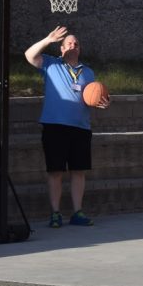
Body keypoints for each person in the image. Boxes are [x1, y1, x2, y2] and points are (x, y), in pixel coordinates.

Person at [24, 25, 107, 228]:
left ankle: (77, 212)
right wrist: (48, 39)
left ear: (80, 49)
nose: (73, 46)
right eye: (69, 43)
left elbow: (92, 96)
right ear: (61, 49)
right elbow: (29, 55)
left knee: (78, 171)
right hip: (55, 126)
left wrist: (102, 102)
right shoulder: (51, 64)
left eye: (76, 44)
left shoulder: (88, 72)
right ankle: (55, 213)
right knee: (56, 171)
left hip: (81, 127)